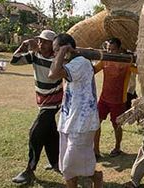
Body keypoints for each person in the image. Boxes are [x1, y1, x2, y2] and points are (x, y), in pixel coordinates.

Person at [48, 33, 103, 188]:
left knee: (69, 167)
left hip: (81, 124)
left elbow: (52, 74)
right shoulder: (72, 63)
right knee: (72, 166)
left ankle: (96, 177)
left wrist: (63, 51)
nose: (55, 54)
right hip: (69, 121)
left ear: (67, 48)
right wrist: (62, 52)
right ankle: (96, 177)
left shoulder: (80, 63)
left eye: (56, 50)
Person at [10, 30, 63, 185]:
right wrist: (22, 46)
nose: (41, 44)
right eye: (40, 41)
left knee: (36, 132)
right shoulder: (35, 56)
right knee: (50, 132)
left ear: (53, 45)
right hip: (42, 101)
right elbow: (14, 61)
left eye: (45, 42)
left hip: (54, 101)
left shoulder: (58, 59)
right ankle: (55, 162)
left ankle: (29, 170)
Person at [93, 38, 134, 158]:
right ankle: (96, 151)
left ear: (119, 49)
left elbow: (139, 70)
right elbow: (93, 70)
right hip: (104, 99)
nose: (110, 52)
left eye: (113, 50)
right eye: (108, 49)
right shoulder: (104, 61)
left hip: (118, 101)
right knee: (96, 123)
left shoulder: (126, 62)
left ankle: (117, 148)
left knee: (117, 125)